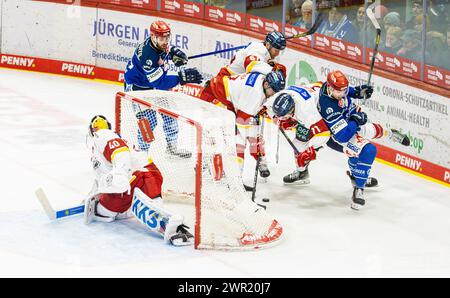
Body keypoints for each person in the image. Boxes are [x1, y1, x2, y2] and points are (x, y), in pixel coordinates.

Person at [84, 115, 194, 246]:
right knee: (154, 206)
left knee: (103, 213)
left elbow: (120, 152)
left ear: (92, 130)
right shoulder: (104, 145)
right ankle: (170, 224)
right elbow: (102, 175)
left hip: (136, 176)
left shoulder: (102, 135)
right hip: (150, 174)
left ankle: (134, 209)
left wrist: (120, 174)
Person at [315, 70, 409, 210]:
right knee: (368, 150)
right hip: (337, 136)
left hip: (349, 122)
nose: (342, 94)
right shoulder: (327, 105)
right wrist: (355, 120)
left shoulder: (332, 88)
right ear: (330, 88)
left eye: (344, 90)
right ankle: (359, 188)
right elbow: (343, 136)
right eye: (339, 92)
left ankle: (389, 134)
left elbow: (347, 91)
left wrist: (357, 91)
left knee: (372, 130)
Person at [201, 30, 287, 179]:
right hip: (226, 90)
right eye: (276, 49)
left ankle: (258, 158)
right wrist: (272, 69)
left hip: (239, 91)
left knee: (248, 127)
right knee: (233, 131)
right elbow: (251, 65)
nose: (277, 53)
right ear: (267, 44)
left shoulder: (263, 52)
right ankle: (210, 163)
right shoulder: (258, 49)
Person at [124, 20, 203, 158]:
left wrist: (175, 52)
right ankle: (142, 154)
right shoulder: (148, 55)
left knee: (169, 114)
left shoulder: (159, 43)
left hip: (151, 84)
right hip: (137, 88)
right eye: (162, 38)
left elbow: (168, 49)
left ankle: (172, 147)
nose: (165, 41)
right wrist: (181, 78)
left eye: (167, 37)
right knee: (149, 122)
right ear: (153, 37)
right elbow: (160, 83)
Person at [201, 71, 286, 190]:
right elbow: (243, 124)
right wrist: (253, 140)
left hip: (230, 100)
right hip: (214, 97)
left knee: (244, 135)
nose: (274, 95)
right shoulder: (254, 95)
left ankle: (239, 173)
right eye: (274, 91)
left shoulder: (263, 80)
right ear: (266, 84)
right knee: (236, 141)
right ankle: (211, 168)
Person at [264, 83, 331, 185]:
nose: (281, 118)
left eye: (283, 116)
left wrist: (311, 150)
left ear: (291, 109)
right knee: (298, 145)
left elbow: (324, 133)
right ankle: (302, 173)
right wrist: (275, 117)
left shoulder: (307, 112)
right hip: (309, 94)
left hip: (322, 107)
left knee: (339, 141)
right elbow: (267, 106)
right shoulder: (279, 98)